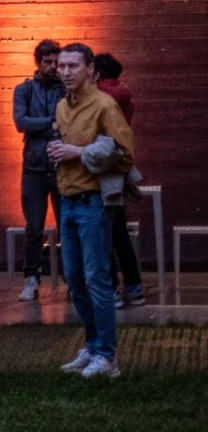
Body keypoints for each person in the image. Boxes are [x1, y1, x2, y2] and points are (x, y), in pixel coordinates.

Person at [47, 43, 135, 379]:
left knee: (98, 279)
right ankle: (93, 345)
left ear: (90, 70)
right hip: (67, 201)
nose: (65, 72)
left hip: (94, 202)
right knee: (75, 279)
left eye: (72, 66)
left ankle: (108, 357)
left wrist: (79, 152)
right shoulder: (61, 106)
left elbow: (125, 155)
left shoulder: (104, 105)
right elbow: (64, 149)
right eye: (62, 66)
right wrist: (57, 152)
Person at [12, 39, 65, 301]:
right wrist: (52, 123)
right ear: (39, 62)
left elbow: (69, 123)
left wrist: (44, 125)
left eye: (56, 62)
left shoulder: (65, 90)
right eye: (48, 62)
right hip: (33, 167)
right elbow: (21, 122)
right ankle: (31, 278)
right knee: (34, 227)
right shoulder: (25, 90)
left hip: (61, 167)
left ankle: (71, 277)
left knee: (67, 225)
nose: (53, 67)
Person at [94, 53, 145, 308]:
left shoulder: (99, 99)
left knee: (104, 233)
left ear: (97, 73)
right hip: (120, 167)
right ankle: (134, 287)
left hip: (103, 169)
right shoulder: (125, 96)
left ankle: (111, 288)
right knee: (119, 232)